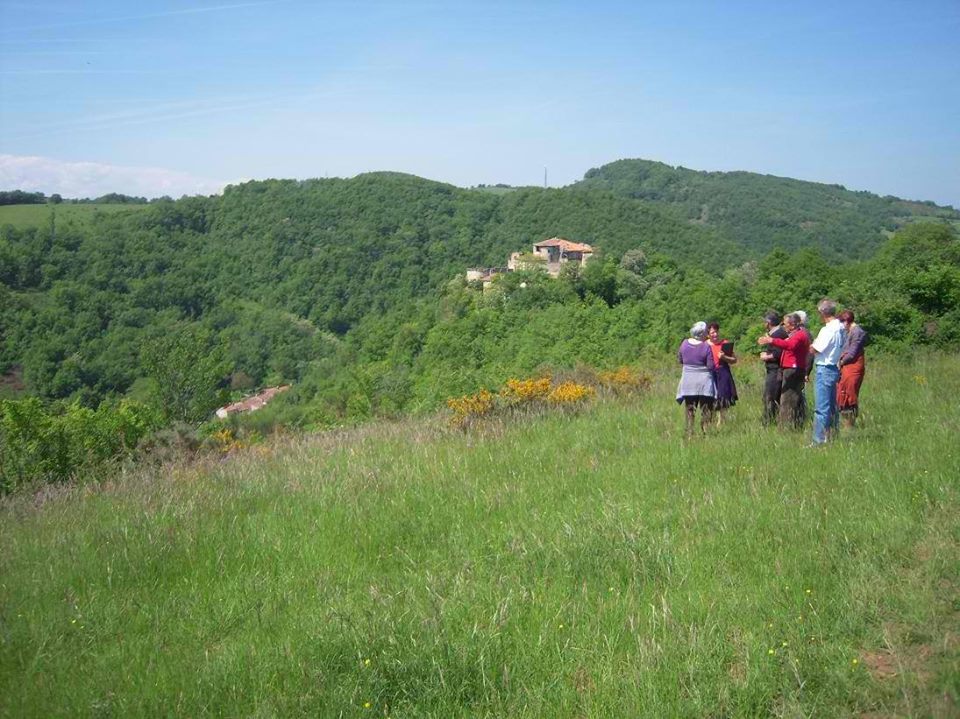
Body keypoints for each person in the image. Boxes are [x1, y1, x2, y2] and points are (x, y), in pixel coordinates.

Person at [757, 312, 810, 428]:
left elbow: (790, 345)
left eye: (785, 324)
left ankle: (787, 426)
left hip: (793, 369)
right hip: (789, 368)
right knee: (788, 397)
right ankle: (792, 424)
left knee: (788, 399)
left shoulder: (799, 335)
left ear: (792, 325)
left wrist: (771, 340)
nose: (783, 326)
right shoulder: (793, 334)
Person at [809, 299, 846, 445]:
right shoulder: (841, 327)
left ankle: (818, 441)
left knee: (821, 408)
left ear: (822, 313)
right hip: (834, 367)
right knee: (832, 407)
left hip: (824, 367)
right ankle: (832, 436)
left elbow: (815, 349)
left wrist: (812, 345)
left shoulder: (828, 329)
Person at [676, 321, 717, 437]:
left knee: (690, 409)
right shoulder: (706, 346)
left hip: (688, 381)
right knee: (706, 409)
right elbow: (710, 366)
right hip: (704, 383)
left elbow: (680, 360)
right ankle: (706, 433)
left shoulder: (684, 344)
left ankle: (689, 433)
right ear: (703, 333)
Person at [837, 309, 868, 428]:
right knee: (843, 393)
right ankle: (846, 424)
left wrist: (841, 362)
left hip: (853, 367)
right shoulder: (851, 331)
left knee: (849, 395)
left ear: (846, 321)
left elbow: (852, 352)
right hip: (847, 367)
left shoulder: (857, 332)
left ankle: (850, 425)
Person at [759, 311, 788, 426]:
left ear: (768, 322)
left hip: (775, 370)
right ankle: (771, 420)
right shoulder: (776, 333)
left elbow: (778, 353)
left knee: (770, 395)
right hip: (775, 369)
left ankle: (768, 421)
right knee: (771, 395)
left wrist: (766, 356)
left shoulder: (777, 334)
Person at [706, 321, 738, 424]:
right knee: (711, 398)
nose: (715, 335)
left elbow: (734, 360)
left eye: (716, 332)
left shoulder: (725, 343)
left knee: (723, 397)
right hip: (710, 374)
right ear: (708, 334)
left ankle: (721, 422)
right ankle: (711, 420)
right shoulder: (705, 345)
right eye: (712, 333)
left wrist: (724, 357)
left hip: (723, 372)